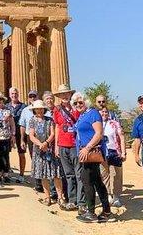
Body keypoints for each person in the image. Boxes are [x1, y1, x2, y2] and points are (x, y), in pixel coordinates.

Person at [75, 98, 112, 223]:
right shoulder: (83, 115)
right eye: (75, 103)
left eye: (80, 102)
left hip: (90, 153)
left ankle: (91, 213)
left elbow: (99, 133)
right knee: (96, 181)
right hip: (85, 152)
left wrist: (87, 148)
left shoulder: (93, 113)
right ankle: (106, 210)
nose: (78, 105)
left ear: (86, 101)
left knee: (87, 181)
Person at [53, 84, 85, 212]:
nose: (64, 96)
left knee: (79, 174)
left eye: (66, 94)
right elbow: (57, 127)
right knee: (69, 175)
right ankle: (72, 201)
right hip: (62, 145)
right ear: (59, 97)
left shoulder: (76, 108)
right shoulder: (57, 110)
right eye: (62, 94)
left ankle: (81, 201)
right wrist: (56, 145)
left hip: (75, 145)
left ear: (70, 95)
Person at [28, 99, 65, 206]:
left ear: (44, 109)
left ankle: (60, 197)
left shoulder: (49, 120)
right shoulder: (32, 120)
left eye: (40, 108)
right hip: (38, 151)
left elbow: (53, 133)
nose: (39, 110)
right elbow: (31, 135)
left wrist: (46, 143)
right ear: (34, 110)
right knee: (43, 174)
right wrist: (40, 144)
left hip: (49, 150)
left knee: (55, 174)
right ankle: (47, 197)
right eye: (37, 109)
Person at [100, 107, 126, 207]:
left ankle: (116, 196)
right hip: (102, 151)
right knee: (104, 174)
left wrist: (123, 152)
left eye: (106, 112)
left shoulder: (114, 123)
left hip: (115, 151)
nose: (104, 113)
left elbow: (121, 137)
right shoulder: (96, 124)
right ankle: (107, 194)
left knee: (116, 175)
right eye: (102, 112)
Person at [6, 87, 27, 183]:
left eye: (15, 93)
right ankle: (7, 173)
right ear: (9, 95)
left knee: (21, 153)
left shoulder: (24, 107)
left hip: (20, 132)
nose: (14, 95)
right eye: (12, 94)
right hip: (8, 133)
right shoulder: (6, 106)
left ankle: (21, 175)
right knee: (6, 153)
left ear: (18, 94)